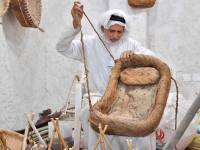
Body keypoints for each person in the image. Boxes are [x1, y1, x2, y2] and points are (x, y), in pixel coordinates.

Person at [56, 1, 156, 149]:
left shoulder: (131, 44)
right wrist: (75, 25)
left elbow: (153, 58)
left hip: (125, 100)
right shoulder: (90, 44)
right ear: (103, 28)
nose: (115, 35)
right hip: (98, 97)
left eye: (119, 32)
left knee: (143, 119)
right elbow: (62, 47)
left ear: (124, 31)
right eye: (111, 31)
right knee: (92, 115)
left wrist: (135, 56)